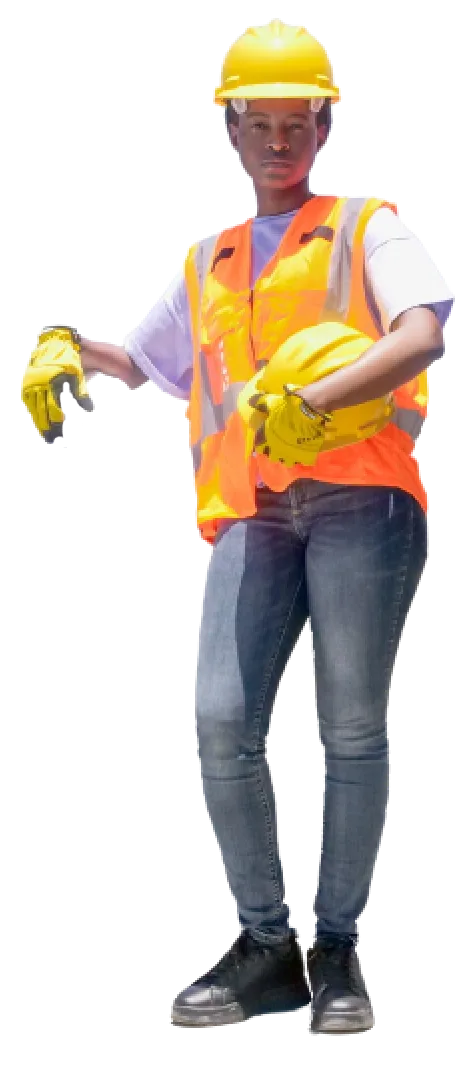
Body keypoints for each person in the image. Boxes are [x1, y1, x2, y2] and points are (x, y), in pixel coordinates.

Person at [21, 20, 455, 1031]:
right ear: (228, 131)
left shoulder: (367, 227)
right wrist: (67, 348)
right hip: (250, 511)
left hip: (360, 498)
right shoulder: (207, 260)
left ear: (325, 127)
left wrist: (319, 398)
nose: (277, 141)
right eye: (257, 123)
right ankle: (265, 944)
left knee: (350, 722)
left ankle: (336, 952)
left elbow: (423, 331)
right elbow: (146, 361)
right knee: (221, 720)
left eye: (296, 122)